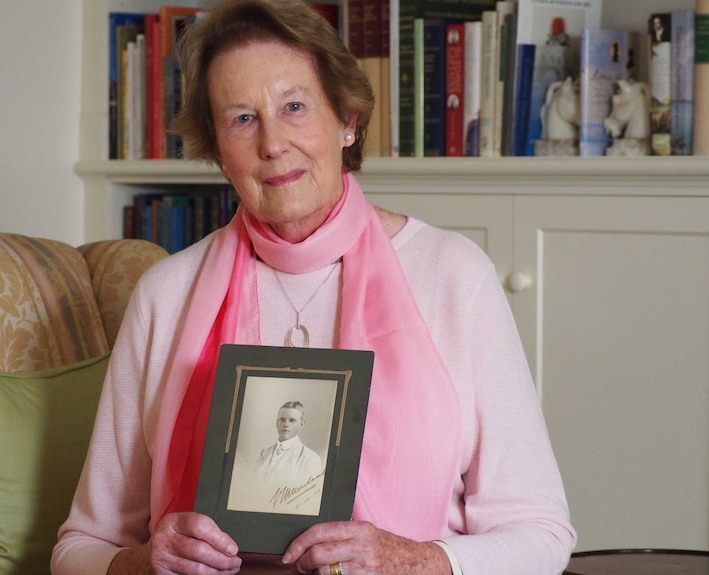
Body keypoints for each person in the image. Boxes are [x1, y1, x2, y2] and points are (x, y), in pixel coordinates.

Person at [51, 0, 577, 574]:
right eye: (241, 119)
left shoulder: (453, 276)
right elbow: (79, 547)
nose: (273, 143)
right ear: (218, 151)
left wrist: (414, 561)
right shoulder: (165, 295)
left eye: (294, 106)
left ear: (347, 119)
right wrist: (141, 563)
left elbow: (542, 537)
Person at [255, 401, 322, 486]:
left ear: (301, 424)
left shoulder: (310, 459)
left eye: (292, 420)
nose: (286, 424)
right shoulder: (263, 454)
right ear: (277, 423)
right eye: (282, 420)